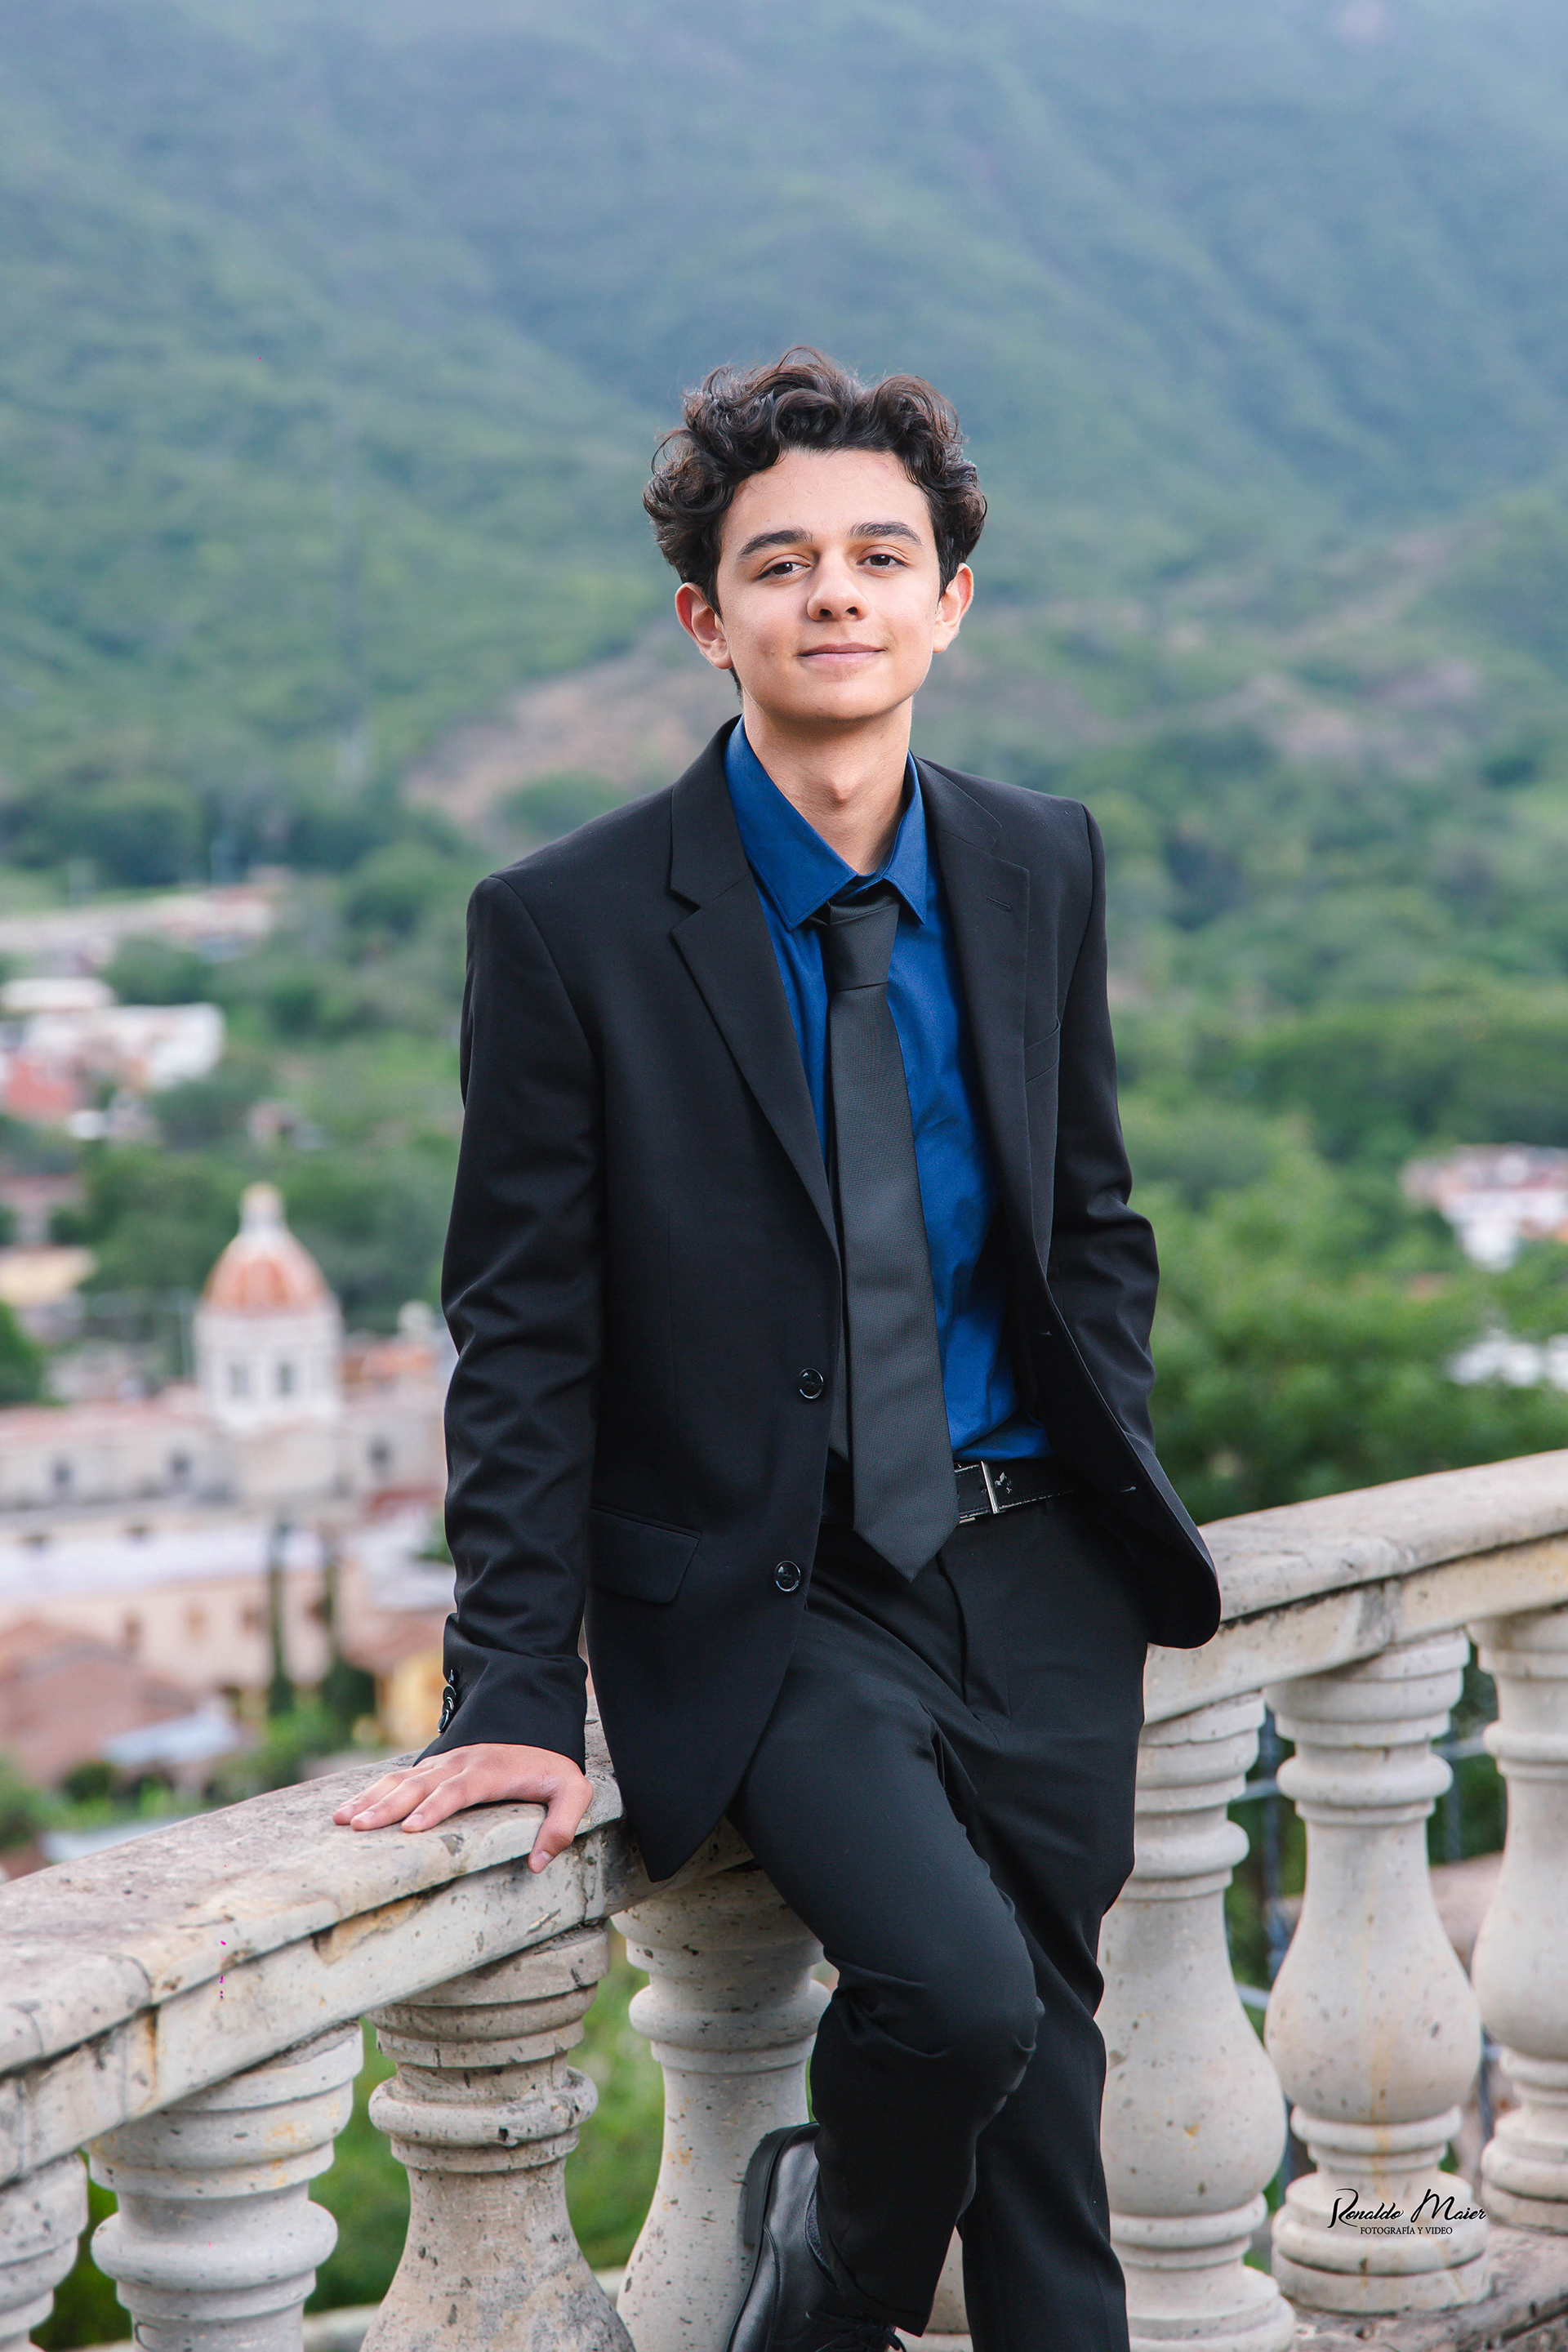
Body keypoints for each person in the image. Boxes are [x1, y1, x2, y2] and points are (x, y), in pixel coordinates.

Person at [336, 348, 1222, 2352]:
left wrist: (1108, 1482)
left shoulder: (1039, 860)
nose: (836, 593)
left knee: (1051, 2094)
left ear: (950, 601)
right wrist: (511, 1686)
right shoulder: (566, 925)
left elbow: (1091, 1217)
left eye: (881, 557)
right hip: (778, 1587)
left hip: (1036, 1562)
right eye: (782, 562)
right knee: (958, 1998)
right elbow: (523, 1326)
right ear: (705, 619)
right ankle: (822, 2279)